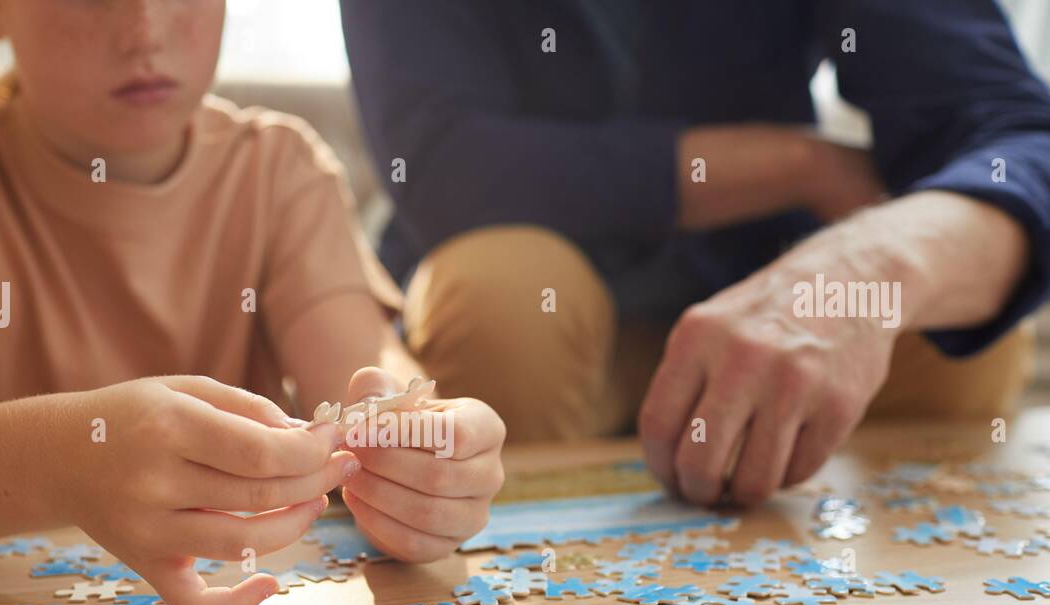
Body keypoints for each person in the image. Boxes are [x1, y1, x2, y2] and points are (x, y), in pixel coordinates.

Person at [0, 0, 506, 605]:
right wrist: (64, 457)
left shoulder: (281, 172)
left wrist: (425, 456)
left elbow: (372, 380)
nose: (144, 28)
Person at [341, 0, 1050, 505]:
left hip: (759, 286)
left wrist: (867, 265)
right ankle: (496, 604)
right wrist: (801, 165)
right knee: (504, 292)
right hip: (531, 325)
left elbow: (1014, 135)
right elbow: (443, 170)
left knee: (957, 304)